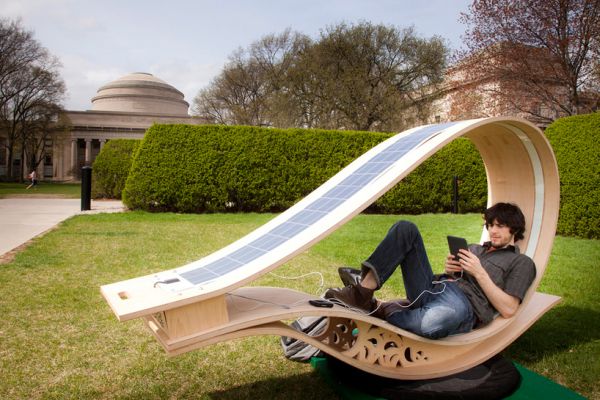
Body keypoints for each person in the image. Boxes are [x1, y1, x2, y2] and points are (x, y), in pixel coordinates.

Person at [324, 202, 536, 339]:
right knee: (406, 228)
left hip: (465, 306)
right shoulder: (474, 248)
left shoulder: (521, 262)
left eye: (499, 226)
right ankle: (362, 293)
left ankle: (384, 310)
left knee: (432, 323)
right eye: (490, 225)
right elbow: (451, 277)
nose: (493, 231)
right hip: (434, 287)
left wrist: (479, 272)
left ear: (514, 229)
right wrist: (451, 269)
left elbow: (509, 308)